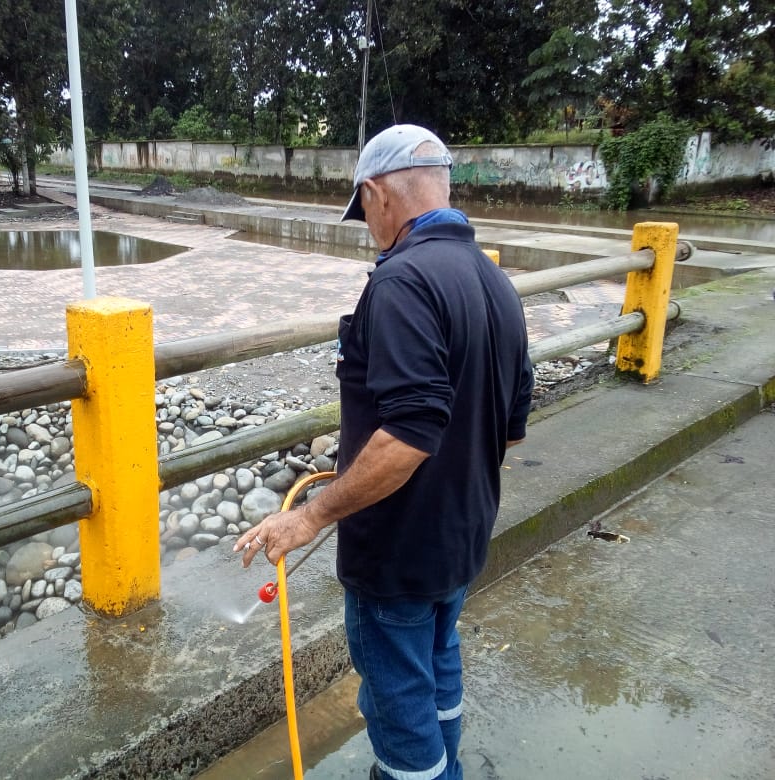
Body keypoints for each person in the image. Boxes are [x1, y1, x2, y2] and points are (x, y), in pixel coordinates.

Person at [235, 124, 534, 780]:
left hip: (398, 554)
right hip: (462, 537)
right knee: (438, 666)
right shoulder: (495, 283)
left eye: (363, 210)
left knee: (399, 709)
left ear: (377, 194)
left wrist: (310, 516)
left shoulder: (402, 282)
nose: (368, 228)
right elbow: (509, 430)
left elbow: (409, 434)